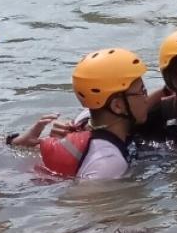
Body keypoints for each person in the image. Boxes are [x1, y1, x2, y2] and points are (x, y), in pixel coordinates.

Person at [11, 48, 150, 180]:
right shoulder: (109, 163)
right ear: (117, 106)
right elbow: (82, 202)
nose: (147, 98)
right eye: (142, 91)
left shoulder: (84, 119)